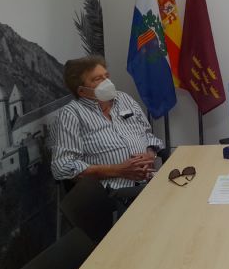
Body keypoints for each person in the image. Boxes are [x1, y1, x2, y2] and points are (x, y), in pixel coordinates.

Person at [51, 55, 164, 206]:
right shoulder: (70, 115)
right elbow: (63, 167)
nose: (106, 82)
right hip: (113, 195)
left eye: (106, 76)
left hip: (149, 180)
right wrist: (118, 170)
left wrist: (150, 155)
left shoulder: (124, 99)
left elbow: (147, 135)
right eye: (97, 79)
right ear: (82, 91)